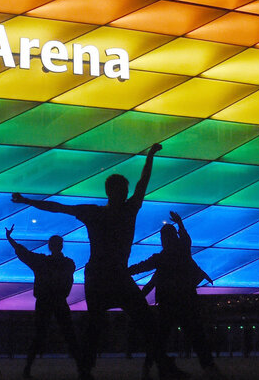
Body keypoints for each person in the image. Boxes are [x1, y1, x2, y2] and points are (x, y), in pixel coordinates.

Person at [12, 143, 186, 380]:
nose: (123, 194)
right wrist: (28, 201)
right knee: (119, 325)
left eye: (123, 191)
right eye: (121, 190)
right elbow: (141, 184)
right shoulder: (123, 210)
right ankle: (160, 367)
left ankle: (92, 371)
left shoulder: (102, 212)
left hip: (102, 276)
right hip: (109, 276)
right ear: (112, 192)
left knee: (105, 326)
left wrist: (150, 156)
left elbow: (60, 207)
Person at [129, 211, 221, 379]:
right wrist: (180, 223)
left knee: (161, 337)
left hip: (168, 302)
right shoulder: (183, 252)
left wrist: (124, 271)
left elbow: (142, 267)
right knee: (196, 334)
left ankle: (148, 366)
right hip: (186, 300)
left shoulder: (162, 257)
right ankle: (208, 367)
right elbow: (186, 239)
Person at [5, 225, 81, 378]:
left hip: (44, 301)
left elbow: (23, 252)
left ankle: (27, 368)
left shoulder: (41, 261)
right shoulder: (68, 264)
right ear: (61, 246)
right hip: (60, 301)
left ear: (49, 246)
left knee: (39, 335)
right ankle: (82, 369)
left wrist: (9, 238)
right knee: (69, 335)